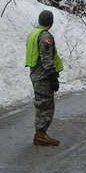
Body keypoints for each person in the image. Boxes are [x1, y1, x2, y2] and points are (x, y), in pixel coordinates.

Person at [25, 10, 64, 146]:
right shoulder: (45, 36)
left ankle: (40, 134)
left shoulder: (33, 33)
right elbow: (46, 59)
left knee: (42, 104)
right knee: (45, 106)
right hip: (43, 76)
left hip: (36, 74)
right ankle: (41, 135)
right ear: (50, 22)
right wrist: (53, 77)